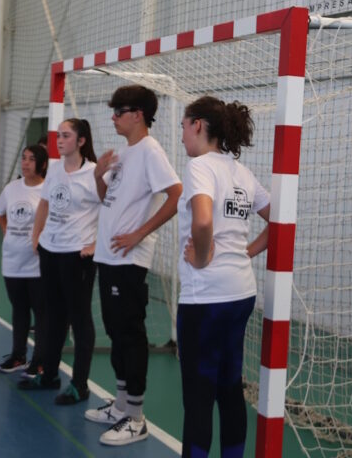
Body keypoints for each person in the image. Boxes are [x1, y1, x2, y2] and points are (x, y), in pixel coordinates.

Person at [86, 85, 182, 446]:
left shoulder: (150, 151)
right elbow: (105, 198)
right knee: (115, 330)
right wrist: (98, 176)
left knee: (129, 332)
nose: (112, 116)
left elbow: (176, 194)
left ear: (137, 114)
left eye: (118, 110)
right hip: (108, 255)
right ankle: (122, 405)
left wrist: (139, 233)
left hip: (129, 260)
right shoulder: (125, 154)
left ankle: (137, 418)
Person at [177, 95, 270, 458]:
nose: (183, 134)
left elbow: (202, 220)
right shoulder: (241, 172)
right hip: (241, 293)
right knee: (230, 388)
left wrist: (201, 257)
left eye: (184, 126)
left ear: (198, 125)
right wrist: (246, 251)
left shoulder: (200, 167)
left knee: (199, 397)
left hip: (207, 297)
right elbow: (280, 219)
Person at [18, 118, 100, 405]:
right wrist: (37, 235)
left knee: (79, 319)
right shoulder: (54, 170)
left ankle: (80, 384)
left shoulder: (94, 173)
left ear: (81, 141)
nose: (59, 140)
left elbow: (112, 210)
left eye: (66, 136)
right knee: (52, 315)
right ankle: (49, 373)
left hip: (77, 255)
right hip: (50, 251)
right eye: (58, 135)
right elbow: (45, 204)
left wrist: (96, 243)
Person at [0, 144, 48, 374]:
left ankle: (40, 360)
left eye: (31, 159)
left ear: (43, 164)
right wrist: (7, 231)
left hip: (37, 263)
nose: (25, 163)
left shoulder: (47, 190)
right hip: (12, 260)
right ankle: (18, 356)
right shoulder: (11, 188)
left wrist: (40, 241)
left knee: (41, 312)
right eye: (23, 158)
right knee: (19, 310)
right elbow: (0, 212)